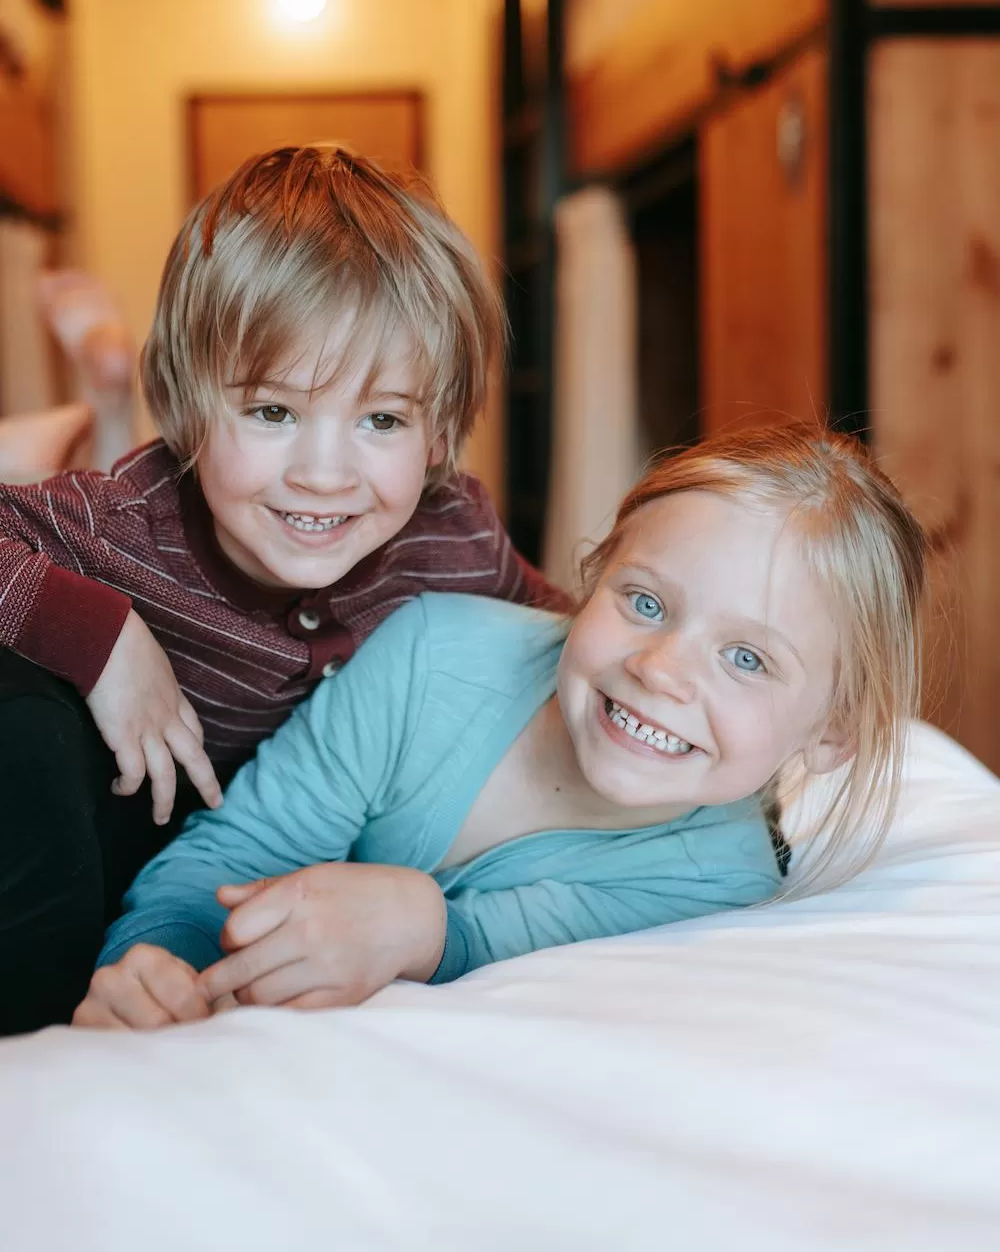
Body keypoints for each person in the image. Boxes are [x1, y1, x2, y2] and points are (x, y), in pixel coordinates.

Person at [73, 423, 927, 1030]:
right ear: (590, 580)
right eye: (644, 602)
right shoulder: (431, 654)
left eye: (746, 658)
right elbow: (237, 852)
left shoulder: (718, 880)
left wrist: (425, 924)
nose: (661, 669)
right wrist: (155, 967)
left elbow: (504, 949)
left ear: (833, 732)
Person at [0, 145, 565, 1035]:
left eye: (382, 419)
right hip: (143, 850)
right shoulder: (127, 527)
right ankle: (76, 421)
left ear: (440, 433)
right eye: (273, 412)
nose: (323, 474)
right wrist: (104, 637)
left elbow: (560, 635)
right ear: (188, 406)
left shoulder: (452, 532)